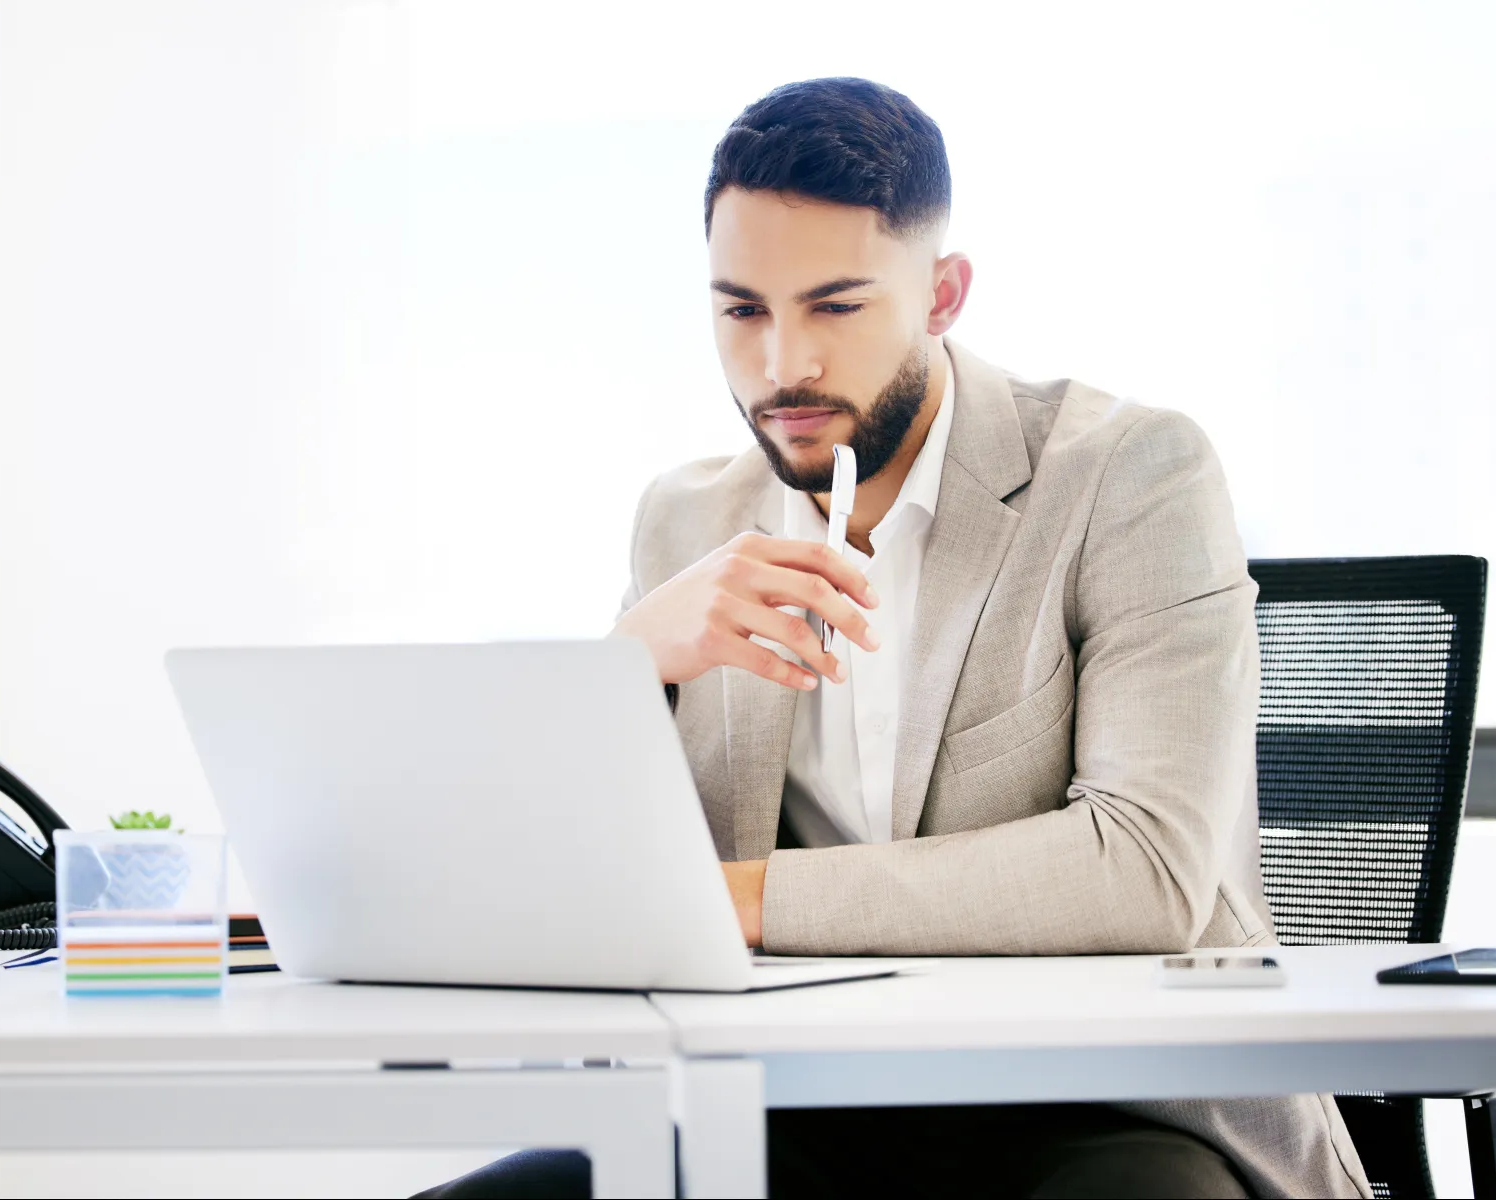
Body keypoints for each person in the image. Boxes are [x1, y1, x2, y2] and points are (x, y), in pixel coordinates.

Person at [421, 77, 1370, 1199]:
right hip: (789, 1108)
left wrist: (736, 899)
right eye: (742, 311)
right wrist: (624, 663)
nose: (782, 366)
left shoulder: (1128, 474)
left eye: (834, 306)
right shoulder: (684, 521)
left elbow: (1144, 869)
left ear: (942, 294)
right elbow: (569, 881)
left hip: (1109, 1104)